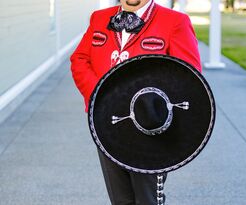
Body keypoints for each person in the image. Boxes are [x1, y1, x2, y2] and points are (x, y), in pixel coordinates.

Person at [70, 0, 201, 204]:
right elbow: (79, 59)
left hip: (150, 134)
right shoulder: (99, 18)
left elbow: (188, 78)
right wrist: (102, 96)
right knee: (120, 200)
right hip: (105, 125)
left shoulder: (175, 21)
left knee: (147, 200)